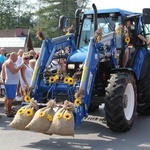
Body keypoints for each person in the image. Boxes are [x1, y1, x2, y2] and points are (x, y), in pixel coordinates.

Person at [5, 52, 24, 117]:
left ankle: (8, 110)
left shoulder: (12, 62)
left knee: (10, 98)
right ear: (12, 56)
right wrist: (20, 66)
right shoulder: (9, 62)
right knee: (10, 98)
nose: (17, 59)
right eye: (16, 58)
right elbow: (14, 71)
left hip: (12, 82)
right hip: (11, 83)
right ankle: (9, 112)